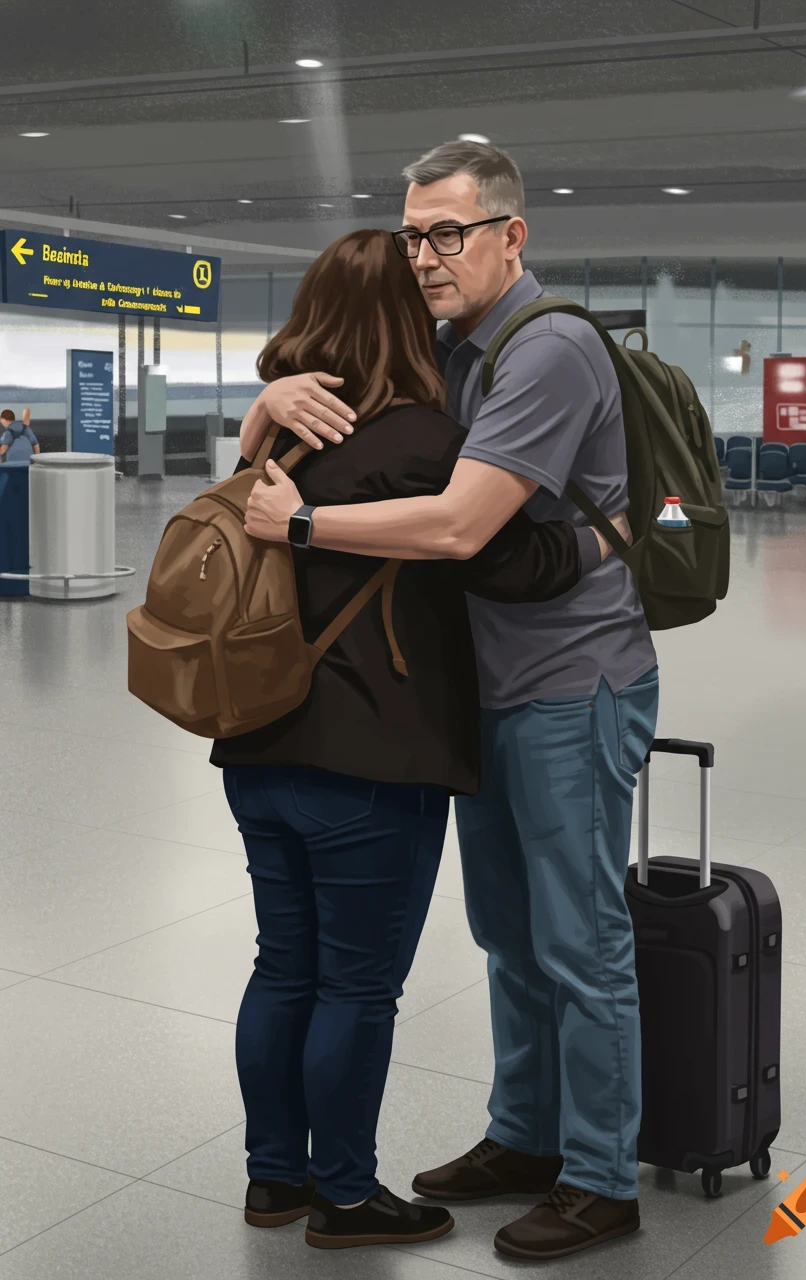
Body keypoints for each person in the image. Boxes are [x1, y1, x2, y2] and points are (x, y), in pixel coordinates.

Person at [241, 140, 659, 1263]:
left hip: (569, 685)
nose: (425, 255)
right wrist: (266, 388)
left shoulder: (550, 348)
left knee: (578, 938)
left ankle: (599, 1175)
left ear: (510, 236)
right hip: (487, 687)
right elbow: (347, 392)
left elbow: (456, 524)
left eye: (449, 233)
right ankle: (523, 1135)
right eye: (415, 232)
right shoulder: (447, 349)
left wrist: (300, 526)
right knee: (506, 935)